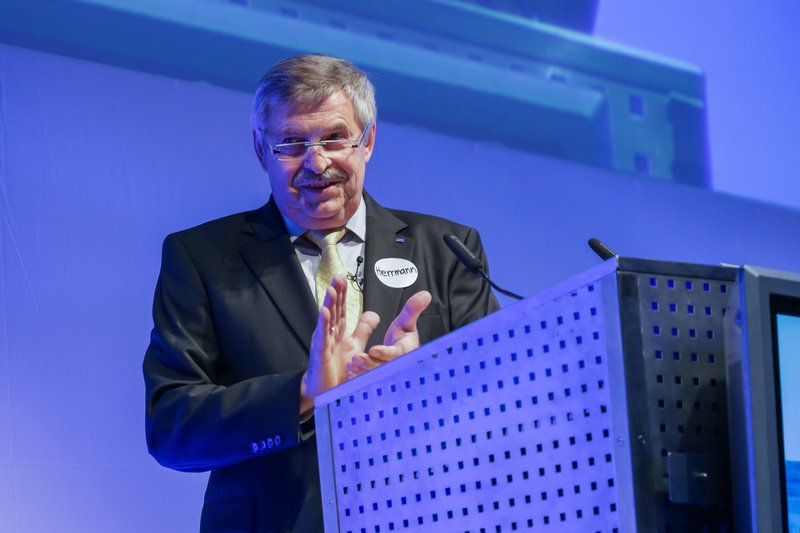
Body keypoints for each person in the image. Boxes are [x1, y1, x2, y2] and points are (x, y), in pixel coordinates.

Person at [143, 54, 499, 532]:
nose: (316, 162)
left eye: (334, 138)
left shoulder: (448, 249)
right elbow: (171, 428)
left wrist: (420, 381)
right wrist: (304, 393)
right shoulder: (202, 257)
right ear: (261, 150)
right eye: (292, 143)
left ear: (367, 141)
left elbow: (498, 397)